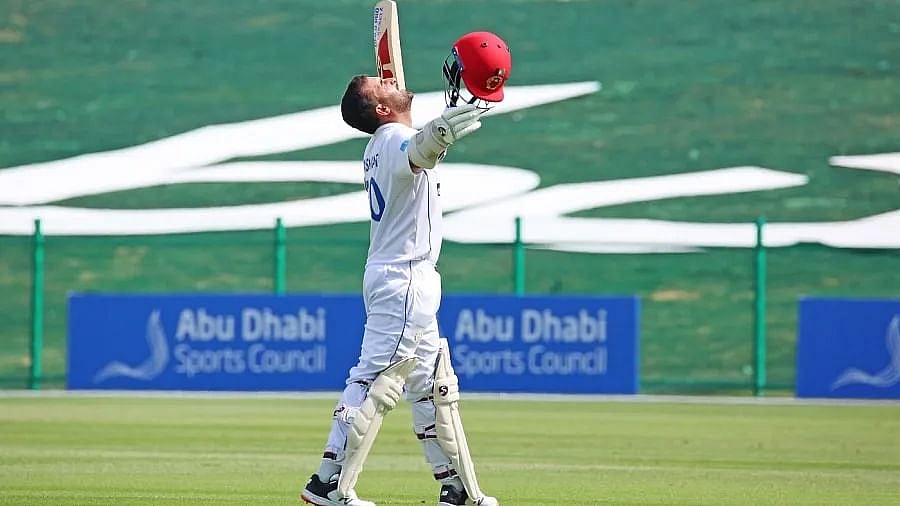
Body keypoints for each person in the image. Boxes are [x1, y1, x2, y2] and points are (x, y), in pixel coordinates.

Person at [300, 32, 511, 506]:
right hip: (403, 279)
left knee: (434, 385)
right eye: (383, 83)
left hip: (405, 277)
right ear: (379, 109)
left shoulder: (383, 141)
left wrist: (444, 127)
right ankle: (329, 484)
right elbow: (419, 151)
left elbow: (419, 150)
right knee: (376, 380)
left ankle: (459, 489)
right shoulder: (393, 138)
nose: (392, 78)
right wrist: (441, 131)